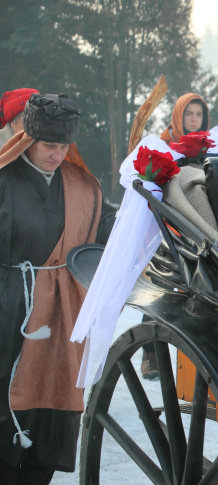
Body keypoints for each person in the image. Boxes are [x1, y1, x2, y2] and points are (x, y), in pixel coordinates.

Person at [0, 93, 107, 484]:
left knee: (53, 405)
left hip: (61, 318)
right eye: (49, 145)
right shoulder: (4, 179)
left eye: (64, 146)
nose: (56, 154)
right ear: (28, 139)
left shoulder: (82, 187)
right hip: (7, 315)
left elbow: (108, 232)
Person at [139, 92, 212, 380]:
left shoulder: (209, 147)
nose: (194, 120)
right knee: (164, 283)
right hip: (168, 221)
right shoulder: (163, 146)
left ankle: (195, 356)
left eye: (198, 115)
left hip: (199, 220)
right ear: (178, 116)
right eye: (189, 115)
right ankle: (151, 354)